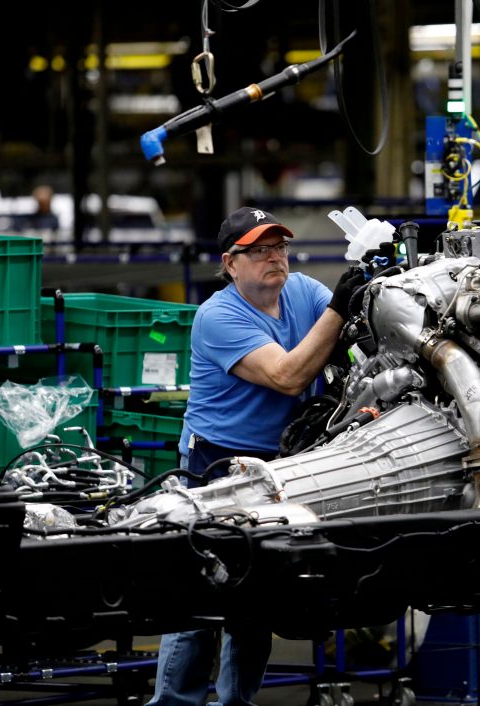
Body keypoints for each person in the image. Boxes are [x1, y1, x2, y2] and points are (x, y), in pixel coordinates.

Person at [147, 206, 364, 706]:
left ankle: (236, 704)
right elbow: (287, 375)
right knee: (201, 596)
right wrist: (341, 307)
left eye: (280, 247)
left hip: (281, 462)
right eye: (259, 250)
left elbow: (347, 350)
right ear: (231, 263)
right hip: (216, 466)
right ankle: (173, 704)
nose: (274, 258)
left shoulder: (306, 293)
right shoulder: (217, 316)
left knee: (257, 596)